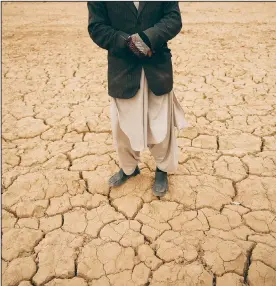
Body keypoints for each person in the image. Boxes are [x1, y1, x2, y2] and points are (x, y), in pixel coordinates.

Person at [87, 1, 189, 197]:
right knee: (122, 127)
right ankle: (129, 168)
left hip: (157, 66)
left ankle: (162, 169)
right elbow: (96, 27)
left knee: (160, 123)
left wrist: (146, 39)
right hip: (122, 69)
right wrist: (127, 43)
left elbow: (173, 19)